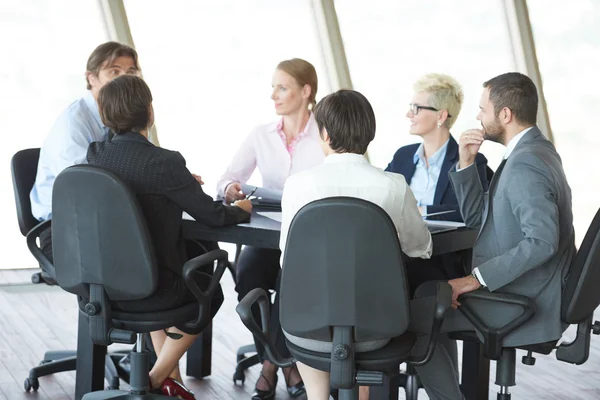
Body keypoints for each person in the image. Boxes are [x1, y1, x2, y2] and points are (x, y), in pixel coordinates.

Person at [409, 72, 576, 400]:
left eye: (482, 109)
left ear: (505, 115)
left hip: (524, 302)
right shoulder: (535, 151)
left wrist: (471, 281)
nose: (477, 117)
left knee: (415, 316)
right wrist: (466, 163)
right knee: (431, 303)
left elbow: (541, 241)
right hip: (529, 291)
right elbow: (480, 221)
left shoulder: (525, 164)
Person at [88, 75, 253, 400]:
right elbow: (215, 216)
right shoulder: (165, 162)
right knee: (209, 293)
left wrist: (179, 184)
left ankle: (165, 381)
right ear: (149, 112)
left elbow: (130, 182)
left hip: (103, 288)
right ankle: (153, 378)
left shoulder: (96, 155)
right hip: (154, 287)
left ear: (105, 114)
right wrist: (244, 208)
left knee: (154, 277)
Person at [279, 89, 433, 400]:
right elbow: (421, 249)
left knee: (312, 307)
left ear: (324, 133)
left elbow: (287, 261)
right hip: (375, 333)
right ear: (369, 133)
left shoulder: (297, 185)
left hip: (307, 328)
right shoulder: (393, 185)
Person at [216, 58, 324, 399]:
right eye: (273, 87)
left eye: (282, 87)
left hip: (308, 237)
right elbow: (227, 179)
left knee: (288, 286)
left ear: (306, 91)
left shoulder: (325, 133)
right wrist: (231, 189)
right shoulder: (261, 135)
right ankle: (284, 363)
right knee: (247, 276)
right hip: (267, 233)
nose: (274, 96)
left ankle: (269, 367)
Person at [30, 41, 142, 272]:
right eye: (114, 71)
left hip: (104, 216)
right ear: (92, 78)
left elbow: (141, 163)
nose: (125, 78)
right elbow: (84, 188)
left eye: (131, 71)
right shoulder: (74, 123)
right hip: (64, 228)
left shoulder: (125, 116)